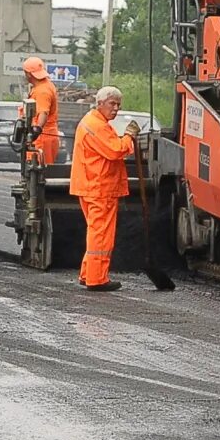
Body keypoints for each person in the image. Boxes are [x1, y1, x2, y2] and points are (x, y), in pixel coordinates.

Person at [71, 85, 136, 292]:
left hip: (91, 186)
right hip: (100, 188)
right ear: (100, 103)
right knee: (101, 235)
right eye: (112, 104)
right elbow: (115, 150)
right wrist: (129, 137)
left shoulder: (93, 122)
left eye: (118, 104)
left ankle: (87, 274)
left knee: (95, 232)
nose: (116, 108)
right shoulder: (97, 125)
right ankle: (97, 279)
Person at [21, 55, 60, 167]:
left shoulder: (42, 91)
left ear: (28, 74)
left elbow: (43, 112)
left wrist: (37, 129)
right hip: (46, 135)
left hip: (42, 138)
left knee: (39, 171)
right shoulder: (46, 85)